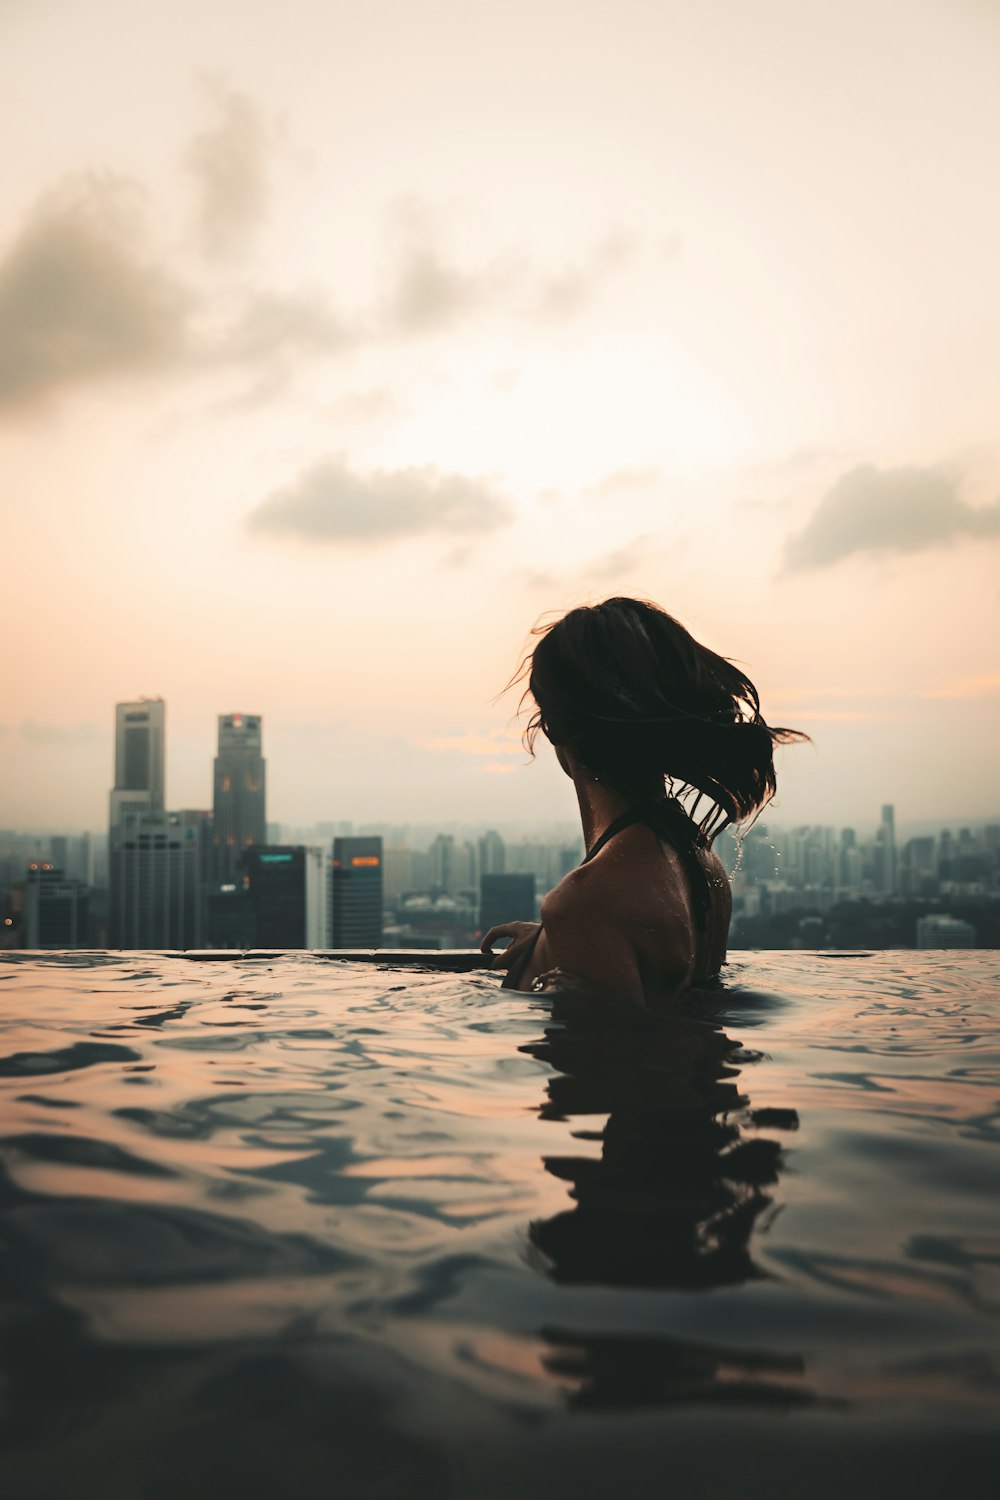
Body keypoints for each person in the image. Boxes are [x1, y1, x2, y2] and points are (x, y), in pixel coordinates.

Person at [481, 597, 804, 1006]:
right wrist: (552, 942)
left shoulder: (592, 900)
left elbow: (615, 1064)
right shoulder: (697, 859)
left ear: (552, 728)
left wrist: (578, 927)